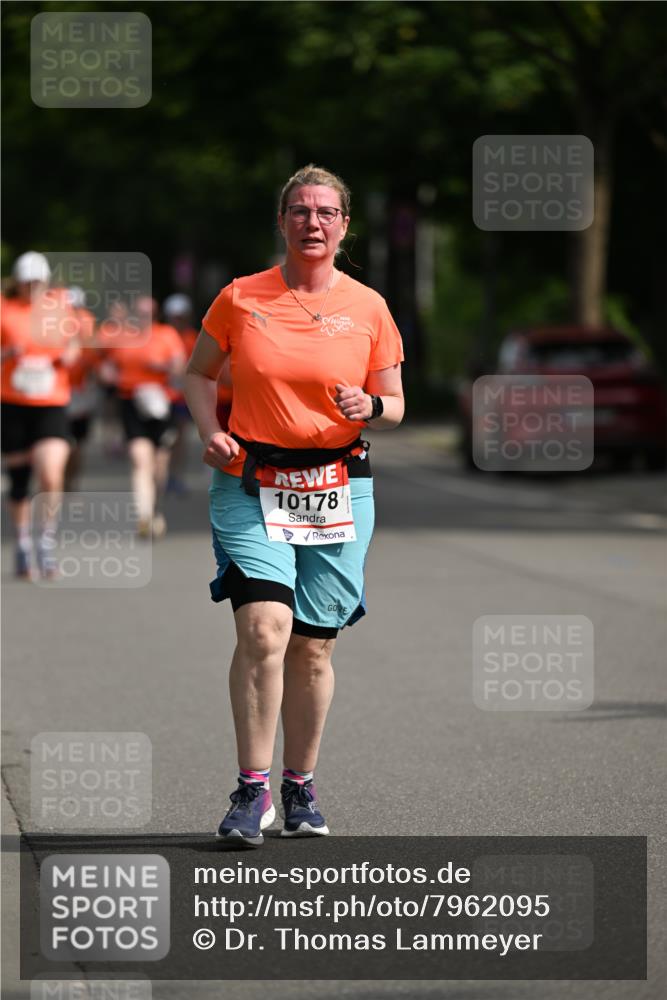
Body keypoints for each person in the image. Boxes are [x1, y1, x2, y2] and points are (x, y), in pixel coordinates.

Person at [185, 164, 404, 845]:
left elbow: (395, 404)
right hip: (250, 480)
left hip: (337, 485)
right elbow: (197, 374)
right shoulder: (240, 297)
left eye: (326, 212)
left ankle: (299, 786)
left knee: (312, 647)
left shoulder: (369, 307)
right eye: (301, 211)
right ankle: (251, 791)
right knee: (263, 629)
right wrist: (209, 430)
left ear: (344, 226)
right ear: (282, 222)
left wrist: (370, 406)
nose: (313, 222)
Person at [1, 252, 80, 578]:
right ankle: (22, 544)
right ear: (17, 282)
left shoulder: (59, 308)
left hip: (51, 401)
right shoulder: (5, 309)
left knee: (50, 473)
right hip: (13, 402)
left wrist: (67, 355)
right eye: (27, 282)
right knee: (19, 479)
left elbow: (75, 343)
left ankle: (45, 542)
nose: (33, 288)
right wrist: (7, 354)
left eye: (38, 282)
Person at [100, 295, 186, 537]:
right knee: (140, 459)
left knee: (159, 464)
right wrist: (108, 376)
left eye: (147, 313)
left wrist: (160, 367)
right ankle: (143, 516)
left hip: (161, 402)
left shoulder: (167, 335)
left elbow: (180, 366)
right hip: (131, 401)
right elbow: (107, 365)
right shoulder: (123, 337)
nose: (142, 317)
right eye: (138, 313)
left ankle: (155, 508)